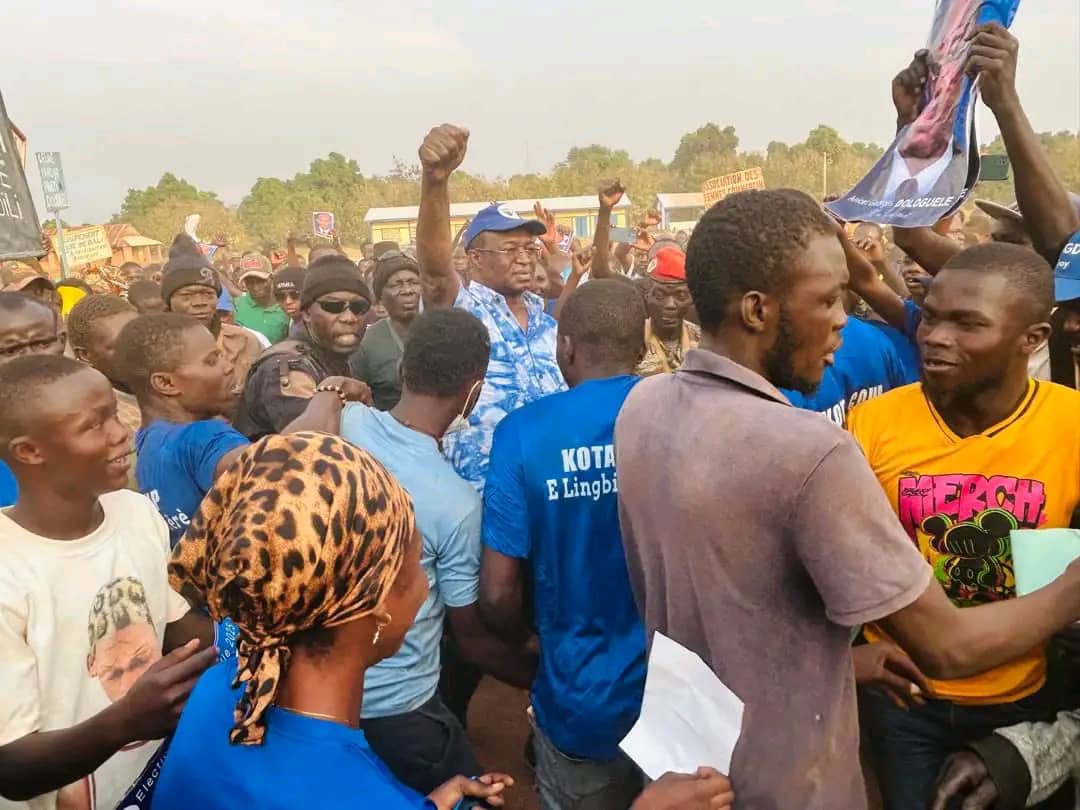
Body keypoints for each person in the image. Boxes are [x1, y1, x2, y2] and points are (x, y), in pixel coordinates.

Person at [614, 189, 1080, 810]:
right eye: (829, 299)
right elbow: (949, 647)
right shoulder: (813, 450)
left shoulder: (643, 406)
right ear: (757, 309)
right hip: (787, 779)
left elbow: (738, 607)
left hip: (688, 764)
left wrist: (846, 666)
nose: (845, 318)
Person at [153, 433, 517, 810]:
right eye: (416, 563)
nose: (426, 588)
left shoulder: (219, 687)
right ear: (375, 606)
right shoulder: (361, 795)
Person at [848, 242, 1080, 810]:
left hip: (1029, 697)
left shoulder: (1071, 425)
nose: (934, 337)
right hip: (903, 701)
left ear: (1033, 339)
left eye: (967, 324)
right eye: (930, 315)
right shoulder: (872, 425)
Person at [0, 355, 216, 810]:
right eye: (94, 425)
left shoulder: (134, 512)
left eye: (115, 415)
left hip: (154, 780)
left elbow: (173, 628)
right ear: (29, 451)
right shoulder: (10, 572)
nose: (121, 432)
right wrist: (127, 720)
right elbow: (13, 768)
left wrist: (258, 621)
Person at [339, 308, 534, 794]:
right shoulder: (456, 504)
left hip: (316, 701)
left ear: (404, 369)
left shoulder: (342, 424)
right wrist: (544, 679)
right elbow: (472, 638)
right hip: (402, 710)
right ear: (474, 390)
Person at [480, 280, 649, 810]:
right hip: (680, 694)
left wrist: (535, 644)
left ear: (565, 347)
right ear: (641, 347)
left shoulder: (523, 434)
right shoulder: (683, 414)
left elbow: (498, 594)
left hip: (579, 694)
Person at [117, 313, 362, 548]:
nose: (226, 367)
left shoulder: (148, 440)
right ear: (166, 383)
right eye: (211, 361)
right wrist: (332, 391)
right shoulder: (203, 437)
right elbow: (293, 460)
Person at [415, 125, 565, 491]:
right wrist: (435, 182)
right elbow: (435, 272)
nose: (525, 259)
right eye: (511, 249)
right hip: (481, 499)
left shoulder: (547, 323)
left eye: (531, 249)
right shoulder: (461, 312)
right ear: (475, 258)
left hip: (550, 498)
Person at [234, 255, 373, 439]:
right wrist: (335, 389)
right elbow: (313, 446)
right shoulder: (286, 366)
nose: (349, 317)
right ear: (307, 313)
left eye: (358, 307)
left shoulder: (334, 355)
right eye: (333, 306)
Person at [160, 235, 261, 397]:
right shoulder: (155, 348)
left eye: (208, 294)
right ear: (169, 301)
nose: (200, 303)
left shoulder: (244, 341)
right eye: (187, 295)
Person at [0, 292, 67, 509]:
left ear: (62, 341)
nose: (31, 359)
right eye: (11, 349)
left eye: (41, 343)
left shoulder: (98, 409)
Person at [66, 295, 142, 463]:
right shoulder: (95, 416)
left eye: (140, 337)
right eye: (121, 345)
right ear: (85, 355)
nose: (138, 350)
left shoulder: (176, 384)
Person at [349, 251, 422, 411]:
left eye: (413, 282)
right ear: (380, 297)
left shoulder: (442, 332)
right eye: (396, 285)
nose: (407, 290)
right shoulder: (366, 344)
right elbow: (357, 403)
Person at [635, 248, 700, 376]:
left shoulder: (701, 339)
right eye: (660, 295)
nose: (670, 305)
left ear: (691, 299)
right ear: (647, 296)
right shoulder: (633, 341)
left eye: (680, 295)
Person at [234, 253, 290, 344]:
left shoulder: (287, 306)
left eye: (261, 281)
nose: (256, 287)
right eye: (250, 282)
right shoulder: (236, 306)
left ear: (271, 278)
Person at [272, 265, 305, 338]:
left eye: (295, 295)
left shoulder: (316, 329)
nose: (288, 301)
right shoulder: (293, 321)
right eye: (280, 296)